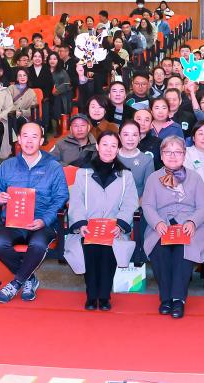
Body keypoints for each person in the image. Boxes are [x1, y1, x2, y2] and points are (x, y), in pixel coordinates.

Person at [0, 122, 69, 303]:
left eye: (34, 137)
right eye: (25, 136)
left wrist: (45, 220)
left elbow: (61, 197)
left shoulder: (53, 167)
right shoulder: (8, 165)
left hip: (42, 223)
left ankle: (16, 283)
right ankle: (28, 278)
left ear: (42, 141)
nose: (29, 141)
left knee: (38, 245)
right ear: (19, 140)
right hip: (13, 222)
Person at [141, 136, 204, 319]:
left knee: (183, 249)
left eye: (177, 152)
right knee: (160, 249)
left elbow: (203, 207)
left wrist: (192, 222)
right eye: (168, 152)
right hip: (162, 224)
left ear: (184, 155)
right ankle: (165, 298)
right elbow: (147, 205)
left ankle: (178, 299)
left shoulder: (195, 178)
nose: (173, 156)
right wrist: (157, 222)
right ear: (161, 155)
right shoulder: (153, 178)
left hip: (189, 225)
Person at [67, 133, 139, 312]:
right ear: (97, 147)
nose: (108, 149)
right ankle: (91, 295)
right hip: (88, 227)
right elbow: (76, 201)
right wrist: (81, 224)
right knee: (90, 248)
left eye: (113, 146)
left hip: (113, 227)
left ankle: (105, 296)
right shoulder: (83, 173)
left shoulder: (126, 175)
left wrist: (120, 224)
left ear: (118, 149)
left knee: (108, 250)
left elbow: (130, 203)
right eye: (105, 144)